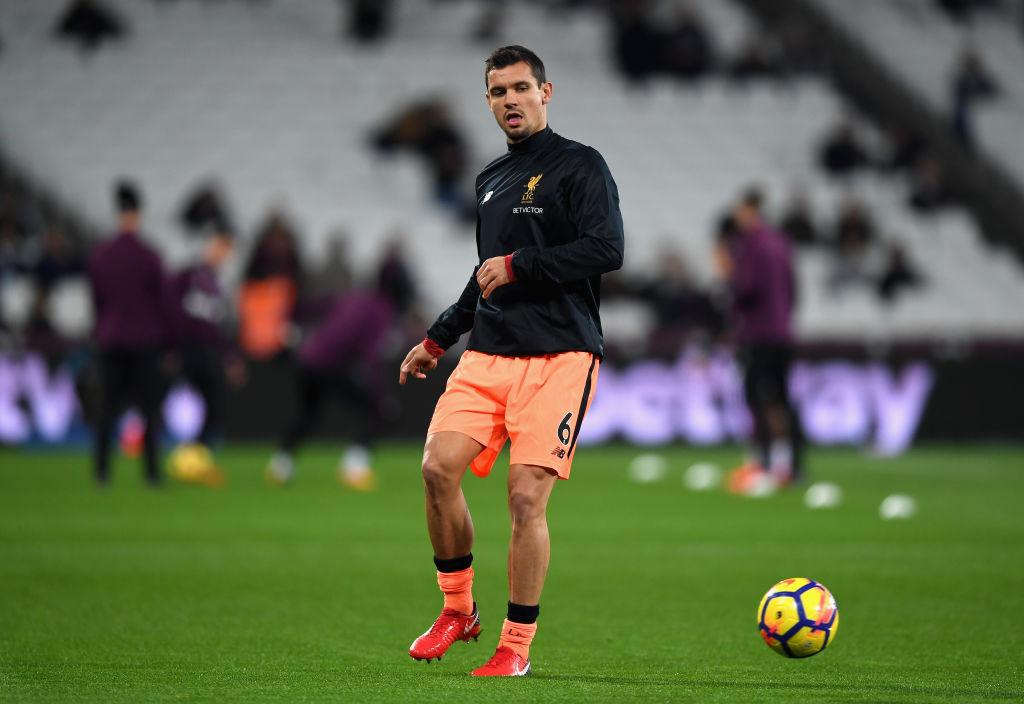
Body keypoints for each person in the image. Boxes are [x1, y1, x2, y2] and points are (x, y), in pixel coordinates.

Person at [398, 45, 624, 677]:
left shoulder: (581, 165)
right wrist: (438, 339)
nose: (510, 100)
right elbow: (484, 276)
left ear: (545, 93)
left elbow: (607, 249)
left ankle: (515, 646)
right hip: (489, 353)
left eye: (521, 88)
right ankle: (458, 609)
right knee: (437, 469)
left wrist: (521, 265)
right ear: (489, 102)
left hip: (561, 355)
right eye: (498, 92)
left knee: (525, 499)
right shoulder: (490, 179)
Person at [265, 257, 407, 491]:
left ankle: (280, 466)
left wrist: (288, 322)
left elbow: (309, 307)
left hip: (308, 360)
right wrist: (382, 396)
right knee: (378, 412)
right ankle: (354, 468)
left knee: (308, 415)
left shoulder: (353, 297)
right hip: (332, 366)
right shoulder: (382, 310)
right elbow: (371, 356)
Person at [716, 189, 803, 492]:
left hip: (758, 334)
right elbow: (793, 288)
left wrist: (727, 276)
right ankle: (792, 466)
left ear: (750, 211)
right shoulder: (781, 242)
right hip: (782, 331)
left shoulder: (750, 245)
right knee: (782, 399)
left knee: (756, 398)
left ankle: (763, 464)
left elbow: (745, 289)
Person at [87, 180, 168, 486]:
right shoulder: (150, 256)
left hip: (111, 340)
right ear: (138, 214)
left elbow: (97, 301)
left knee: (107, 408)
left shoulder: (100, 255)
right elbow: (163, 303)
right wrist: (169, 342)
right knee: (150, 410)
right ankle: (152, 473)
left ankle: (101, 472)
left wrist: (104, 328)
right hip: (145, 342)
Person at [165, 227, 239, 485]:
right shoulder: (187, 276)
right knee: (168, 399)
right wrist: (170, 347)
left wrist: (230, 357)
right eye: (220, 245)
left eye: (227, 248)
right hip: (187, 348)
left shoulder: (220, 284)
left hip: (209, 350)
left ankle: (195, 461)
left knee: (215, 405)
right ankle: (185, 460)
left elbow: (223, 326)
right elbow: (171, 310)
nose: (223, 253)